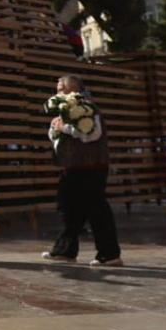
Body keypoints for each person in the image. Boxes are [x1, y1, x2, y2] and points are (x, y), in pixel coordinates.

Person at [43, 74, 121, 267]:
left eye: (63, 88)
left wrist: (66, 128)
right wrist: (55, 130)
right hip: (73, 167)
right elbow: (59, 136)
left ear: (74, 90)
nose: (58, 91)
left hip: (91, 167)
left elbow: (93, 133)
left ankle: (109, 254)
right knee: (69, 209)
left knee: (96, 210)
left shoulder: (88, 108)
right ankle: (65, 251)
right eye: (58, 88)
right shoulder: (64, 110)